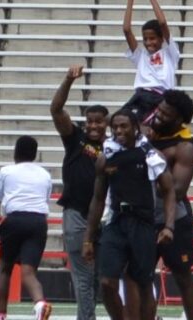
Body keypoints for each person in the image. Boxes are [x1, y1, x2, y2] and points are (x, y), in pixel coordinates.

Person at [82, 109, 176, 320]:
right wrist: (88, 238)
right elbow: (98, 198)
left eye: (123, 126)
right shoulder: (106, 157)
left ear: (135, 128)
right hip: (115, 222)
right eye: (115, 127)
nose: (118, 131)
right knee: (107, 282)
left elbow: (169, 190)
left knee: (142, 283)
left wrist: (169, 226)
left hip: (142, 223)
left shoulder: (151, 155)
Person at [51, 65, 109, 320]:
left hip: (104, 218)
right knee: (84, 276)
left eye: (99, 121)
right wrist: (68, 80)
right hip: (76, 214)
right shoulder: (76, 139)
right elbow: (55, 109)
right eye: (90, 122)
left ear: (107, 123)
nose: (94, 126)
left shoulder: (114, 146)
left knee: (98, 278)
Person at [0, 136, 52, 320]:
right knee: (29, 271)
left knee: (5, 269)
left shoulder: (7, 171)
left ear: (15, 152)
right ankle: (39, 303)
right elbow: (44, 200)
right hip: (38, 222)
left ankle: (1, 313)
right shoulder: (44, 174)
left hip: (15, 220)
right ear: (35, 154)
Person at [149, 89, 193, 320]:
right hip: (145, 217)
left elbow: (176, 190)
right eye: (158, 110)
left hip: (174, 219)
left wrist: (151, 157)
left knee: (182, 275)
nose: (158, 116)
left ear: (179, 119)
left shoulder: (185, 145)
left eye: (165, 114)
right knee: (140, 274)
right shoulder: (147, 132)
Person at [123, 0, 180, 124]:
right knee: (121, 120)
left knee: (145, 127)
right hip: (139, 96)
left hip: (159, 97)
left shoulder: (170, 53)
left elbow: (163, 23)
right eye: (145, 39)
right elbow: (127, 30)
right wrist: (130, 2)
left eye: (152, 38)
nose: (148, 43)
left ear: (161, 39)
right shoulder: (140, 55)